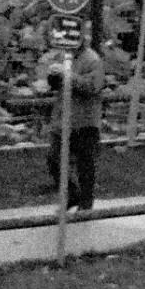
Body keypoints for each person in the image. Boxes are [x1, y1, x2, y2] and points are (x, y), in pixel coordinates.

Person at [45, 36, 105, 211]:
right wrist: (53, 77)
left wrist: (68, 76)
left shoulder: (93, 60)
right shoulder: (64, 57)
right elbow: (58, 86)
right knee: (54, 159)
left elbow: (94, 86)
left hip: (85, 121)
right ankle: (72, 194)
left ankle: (86, 204)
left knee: (85, 165)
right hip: (63, 120)